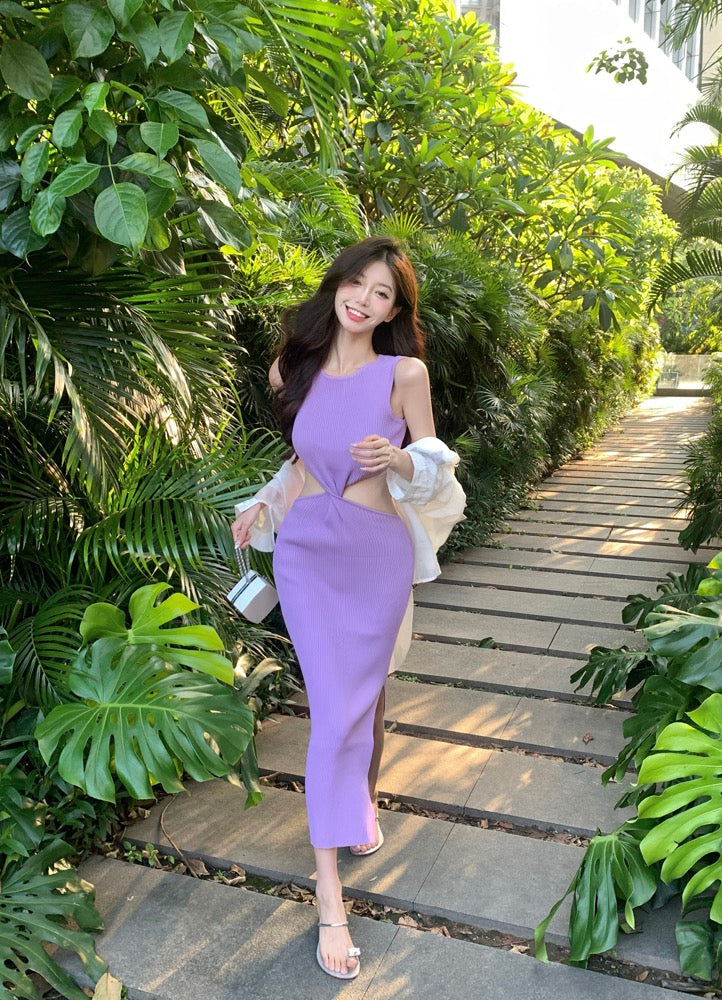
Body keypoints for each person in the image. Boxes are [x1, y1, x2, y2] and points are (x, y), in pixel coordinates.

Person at [231, 236, 465, 980]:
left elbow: (437, 469)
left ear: (395, 310)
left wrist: (399, 458)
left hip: (373, 558)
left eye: (381, 293)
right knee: (334, 713)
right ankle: (330, 899)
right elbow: (303, 460)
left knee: (357, 704)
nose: (363, 299)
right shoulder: (291, 368)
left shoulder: (404, 374)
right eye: (355, 283)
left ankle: (357, 807)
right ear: (336, 284)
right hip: (306, 554)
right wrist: (262, 502)